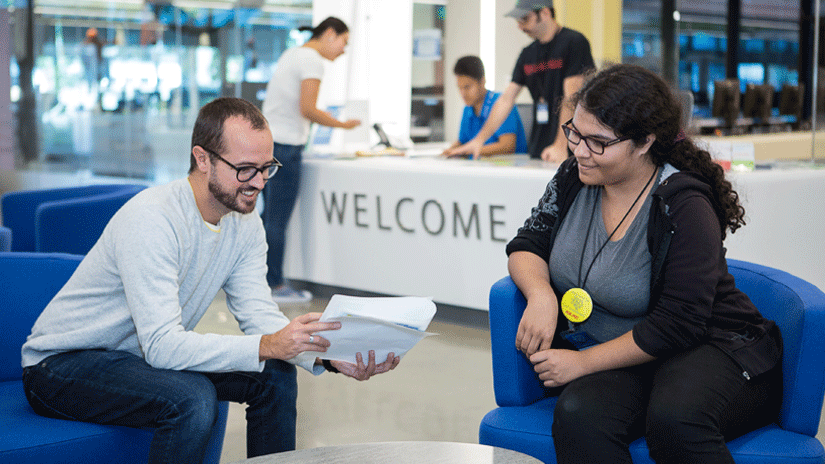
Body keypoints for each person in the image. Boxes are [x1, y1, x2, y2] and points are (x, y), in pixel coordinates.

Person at [21, 97, 399, 464]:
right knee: (193, 398)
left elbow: (258, 314)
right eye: (245, 168)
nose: (259, 182)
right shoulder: (153, 219)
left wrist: (329, 357)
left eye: (267, 167)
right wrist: (268, 344)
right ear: (202, 159)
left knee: (275, 375)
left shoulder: (245, 221)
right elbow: (163, 347)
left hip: (134, 359)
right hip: (61, 366)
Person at [506, 64, 782, 463]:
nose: (580, 150)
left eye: (598, 142)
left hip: (713, 344)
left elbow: (679, 324)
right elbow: (527, 243)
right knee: (579, 415)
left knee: (676, 421)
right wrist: (541, 295)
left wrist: (581, 362)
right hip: (630, 355)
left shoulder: (683, 204)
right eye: (575, 133)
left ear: (644, 143)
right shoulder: (572, 176)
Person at [262, 17, 361, 303]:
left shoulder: (291, 54)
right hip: (287, 148)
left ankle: (258, 279)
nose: (343, 50)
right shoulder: (312, 61)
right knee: (277, 220)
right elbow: (308, 108)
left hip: (271, 144)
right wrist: (343, 125)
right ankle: (276, 284)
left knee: (267, 217)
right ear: (330, 34)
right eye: (344, 42)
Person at [449, 0, 594, 162]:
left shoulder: (574, 42)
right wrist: (478, 141)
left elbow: (572, 97)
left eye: (525, 19)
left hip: (570, 146)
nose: (520, 27)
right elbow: (506, 100)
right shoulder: (527, 54)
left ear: (545, 13)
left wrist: (561, 145)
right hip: (540, 144)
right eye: (518, 21)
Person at [443, 56, 527, 157]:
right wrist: (450, 150)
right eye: (459, 88)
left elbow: (507, 146)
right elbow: (462, 142)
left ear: (482, 81)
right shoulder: (468, 109)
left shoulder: (501, 104)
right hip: (481, 167)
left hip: (509, 167)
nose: (463, 93)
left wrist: (466, 151)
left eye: (467, 87)